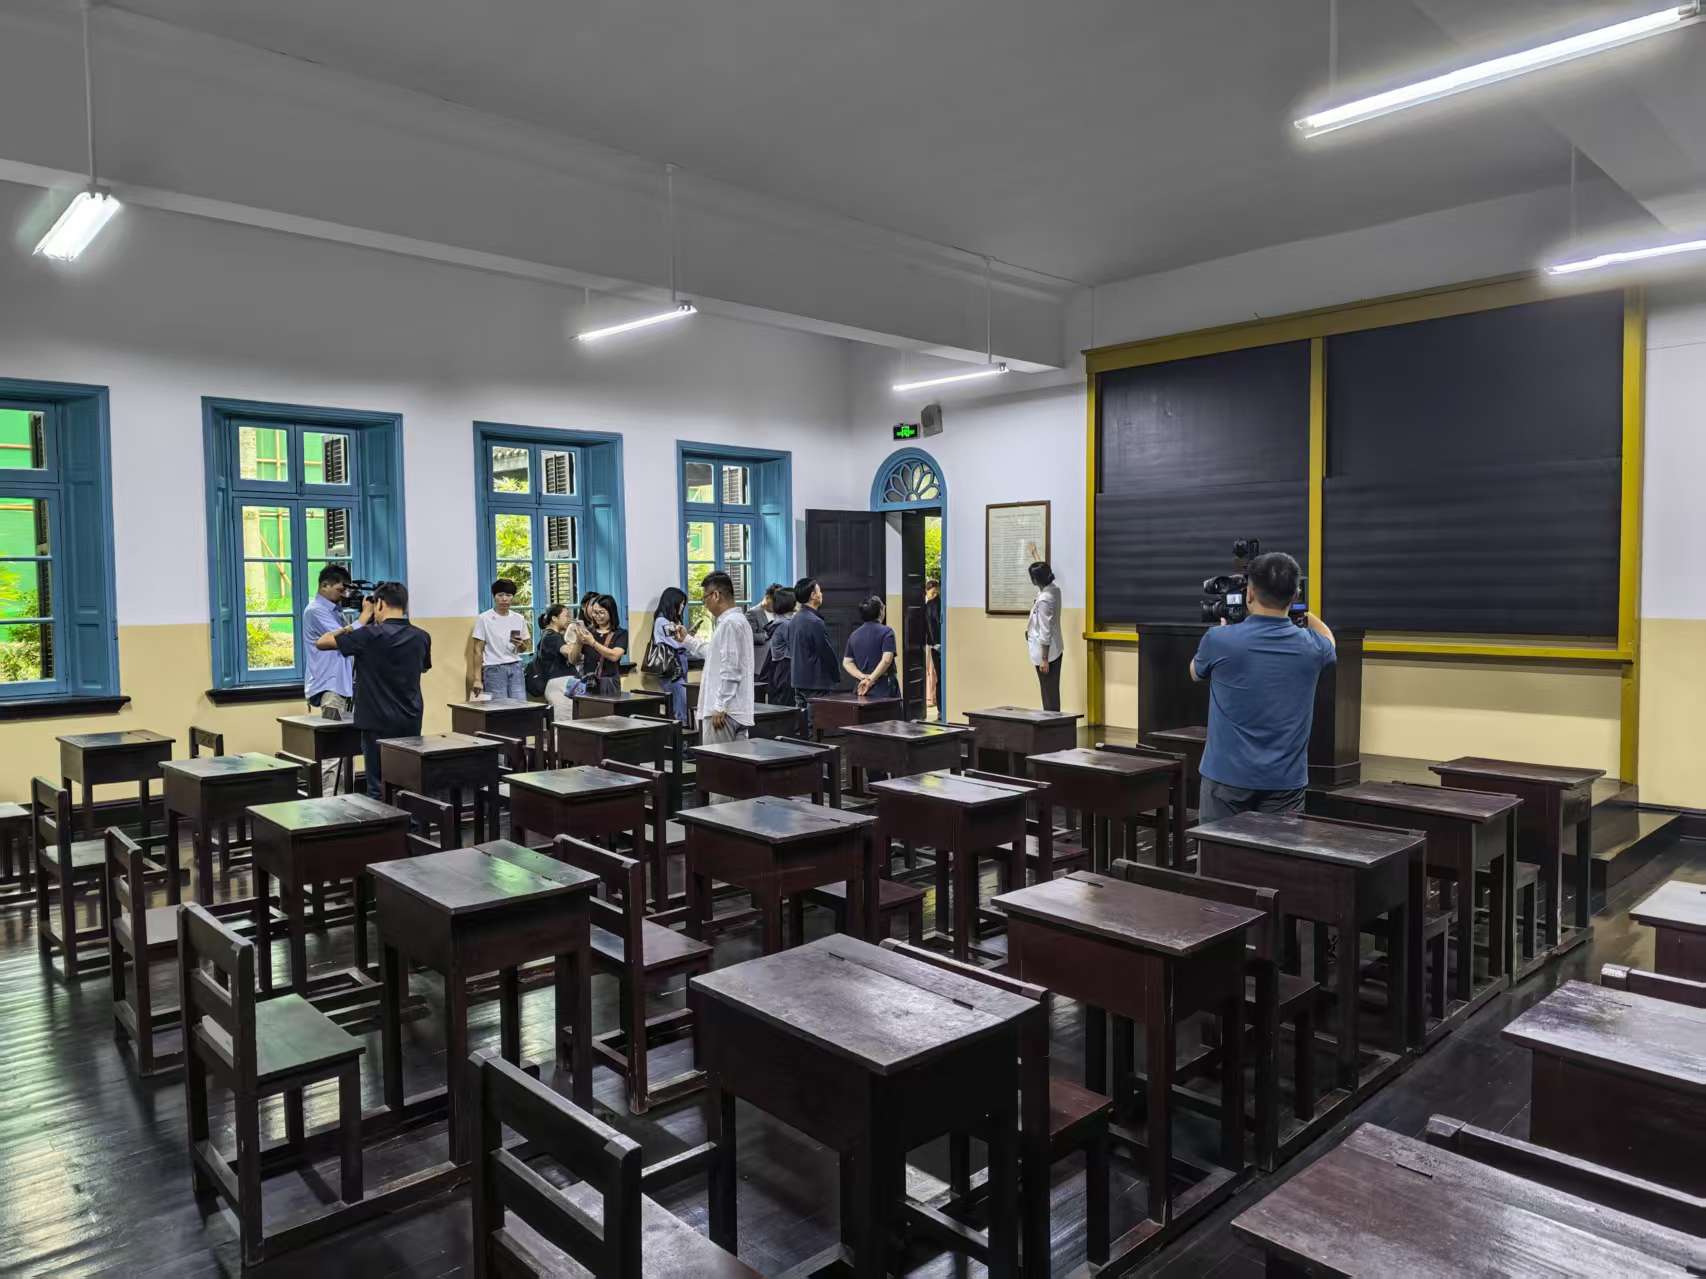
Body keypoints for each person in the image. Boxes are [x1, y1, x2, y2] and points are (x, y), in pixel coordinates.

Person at [1189, 551, 1336, 823]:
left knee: (1217, 849)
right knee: (1277, 851)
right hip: (1285, 781)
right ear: (1295, 595)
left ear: (1249, 593)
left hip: (1226, 777)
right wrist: (1302, 610)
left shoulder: (1218, 639)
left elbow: (1195, 673)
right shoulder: (1313, 647)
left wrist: (1224, 633)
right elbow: (1329, 638)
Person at [315, 580, 431, 799]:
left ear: (380, 604)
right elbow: (423, 667)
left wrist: (360, 620)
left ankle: (384, 820)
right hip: (410, 718)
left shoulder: (367, 635)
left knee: (377, 786)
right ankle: (410, 819)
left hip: (376, 720)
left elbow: (323, 641)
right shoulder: (422, 636)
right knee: (407, 781)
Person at [680, 571, 754, 751]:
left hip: (723, 713)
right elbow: (714, 655)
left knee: (716, 764)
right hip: (735, 710)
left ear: (716, 595)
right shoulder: (737, 621)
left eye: (705, 598)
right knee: (737, 764)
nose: (704, 604)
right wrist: (687, 640)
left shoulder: (729, 623)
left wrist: (720, 705)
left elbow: (731, 669)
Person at [302, 564, 355, 794]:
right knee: (332, 752)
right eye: (340, 590)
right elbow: (345, 639)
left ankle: (344, 798)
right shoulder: (316, 610)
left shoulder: (336, 610)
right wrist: (364, 618)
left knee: (347, 748)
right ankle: (330, 804)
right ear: (325, 585)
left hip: (343, 685)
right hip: (331, 687)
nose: (343, 595)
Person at [788, 576, 839, 732]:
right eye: (819, 591)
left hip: (798, 679)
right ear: (813, 595)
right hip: (815, 681)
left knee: (802, 725)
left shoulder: (795, 619)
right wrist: (835, 673)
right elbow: (825, 651)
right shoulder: (814, 621)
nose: (821, 594)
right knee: (815, 725)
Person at [467, 577, 531, 700]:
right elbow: (477, 651)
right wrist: (477, 679)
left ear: (512, 597)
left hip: (516, 667)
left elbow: (523, 649)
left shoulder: (519, 618)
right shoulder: (484, 618)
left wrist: (520, 644)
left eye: (508, 595)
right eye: (500, 595)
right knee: (499, 707)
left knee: (520, 706)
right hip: (494, 668)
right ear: (494, 596)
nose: (504, 599)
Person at [535, 602, 586, 722]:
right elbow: (569, 654)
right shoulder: (551, 636)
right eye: (566, 616)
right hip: (559, 685)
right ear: (554, 618)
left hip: (566, 683)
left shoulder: (556, 636)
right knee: (565, 722)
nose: (569, 619)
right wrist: (578, 641)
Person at [1026, 560, 1064, 712]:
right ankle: (1053, 723)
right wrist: (1035, 554)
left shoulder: (1044, 600)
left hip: (1048, 654)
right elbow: (1044, 573)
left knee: (1049, 695)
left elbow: (1045, 631)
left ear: (1035, 580)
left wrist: (1044, 659)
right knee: (1050, 692)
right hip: (1055, 649)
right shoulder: (1054, 590)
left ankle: (1053, 724)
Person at [843, 595, 899, 699]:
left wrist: (862, 677)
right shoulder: (887, 632)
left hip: (861, 688)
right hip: (884, 688)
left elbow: (847, 662)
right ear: (881, 612)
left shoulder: (854, 635)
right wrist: (870, 679)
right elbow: (887, 659)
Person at [650, 587, 691, 722]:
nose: (682, 607)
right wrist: (689, 640)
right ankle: (682, 731)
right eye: (681, 603)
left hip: (679, 664)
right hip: (672, 667)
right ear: (672, 603)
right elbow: (676, 643)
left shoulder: (672, 621)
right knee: (680, 705)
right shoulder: (662, 621)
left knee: (682, 702)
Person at [575, 593, 627, 696]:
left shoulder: (620, 633)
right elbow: (573, 659)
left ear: (611, 612)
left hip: (608, 684)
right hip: (587, 683)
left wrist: (593, 642)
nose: (597, 616)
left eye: (601, 612)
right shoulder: (588, 632)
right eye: (594, 612)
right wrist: (578, 641)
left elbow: (614, 656)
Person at [761, 586, 797, 706]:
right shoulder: (786, 625)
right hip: (786, 669)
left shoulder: (779, 622)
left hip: (778, 669)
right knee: (787, 707)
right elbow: (796, 649)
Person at [923, 577, 942, 713]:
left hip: (936, 645)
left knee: (939, 676)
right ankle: (940, 707)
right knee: (939, 676)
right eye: (932, 593)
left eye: (936, 593)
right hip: (935, 645)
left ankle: (941, 708)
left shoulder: (931, 605)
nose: (934, 596)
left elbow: (932, 626)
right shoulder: (930, 605)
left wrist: (935, 643)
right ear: (926, 591)